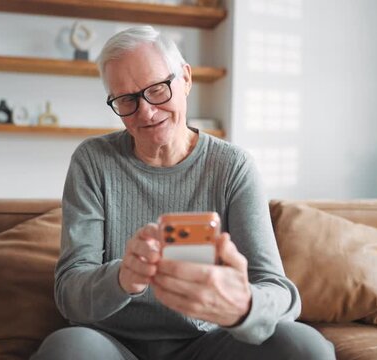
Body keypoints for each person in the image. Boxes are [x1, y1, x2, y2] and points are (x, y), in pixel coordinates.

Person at [31, 26, 335, 360]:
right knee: (65, 349)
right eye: (127, 99)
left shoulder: (233, 166)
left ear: (186, 79)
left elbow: (280, 293)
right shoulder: (93, 161)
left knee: (306, 348)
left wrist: (242, 305)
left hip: (210, 344)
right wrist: (121, 277)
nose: (146, 111)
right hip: (114, 347)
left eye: (158, 89)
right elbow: (69, 293)